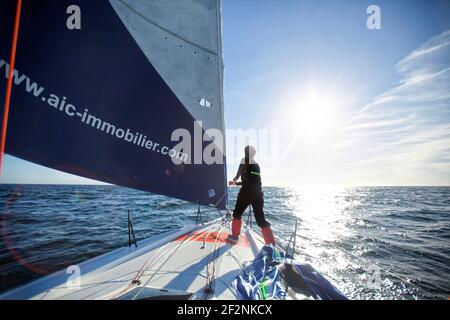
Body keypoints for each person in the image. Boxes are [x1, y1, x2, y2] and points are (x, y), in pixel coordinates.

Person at [228, 145, 275, 245]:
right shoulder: (256, 165)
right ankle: (271, 244)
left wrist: (235, 181)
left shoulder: (244, 161)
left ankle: (235, 236)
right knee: (260, 220)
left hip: (246, 193)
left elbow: (239, 176)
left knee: (237, 214)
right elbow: (254, 181)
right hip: (258, 193)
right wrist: (236, 182)